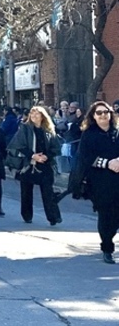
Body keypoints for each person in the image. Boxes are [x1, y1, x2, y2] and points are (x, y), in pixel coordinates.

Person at [69, 102, 119, 263]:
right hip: (99, 181)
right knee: (106, 214)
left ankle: (109, 237)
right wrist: (107, 163)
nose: (103, 115)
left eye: (106, 112)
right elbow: (85, 158)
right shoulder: (89, 134)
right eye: (99, 113)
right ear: (93, 116)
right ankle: (107, 247)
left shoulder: (116, 132)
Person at [7, 106, 63, 225]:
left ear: (43, 116)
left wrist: (47, 156)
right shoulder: (25, 128)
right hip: (28, 165)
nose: (34, 116)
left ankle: (53, 217)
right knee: (26, 192)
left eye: (37, 114)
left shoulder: (49, 130)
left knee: (48, 191)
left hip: (45, 164)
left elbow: (56, 147)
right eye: (32, 114)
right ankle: (27, 216)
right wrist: (33, 156)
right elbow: (18, 146)